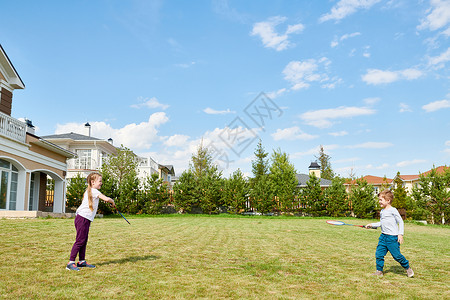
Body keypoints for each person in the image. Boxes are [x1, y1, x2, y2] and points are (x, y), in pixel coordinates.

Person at [66, 172, 115, 271]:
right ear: (93, 182)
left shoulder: (90, 191)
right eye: (100, 181)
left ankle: (81, 261)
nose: (101, 183)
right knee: (80, 241)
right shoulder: (94, 191)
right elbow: (106, 199)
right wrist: (112, 202)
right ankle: (70, 263)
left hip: (84, 219)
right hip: (82, 219)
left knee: (83, 240)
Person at [366, 189, 414, 277]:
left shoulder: (393, 210)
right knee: (379, 254)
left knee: (397, 256)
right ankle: (379, 271)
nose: (379, 201)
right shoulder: (382, 211)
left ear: (388, 201)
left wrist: (400, 234)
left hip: (392, 238)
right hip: (383, 237)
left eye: (381, 200)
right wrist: (371, 225)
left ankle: (407, 268)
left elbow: (401, 222)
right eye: (379, 199)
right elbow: (382, 223)